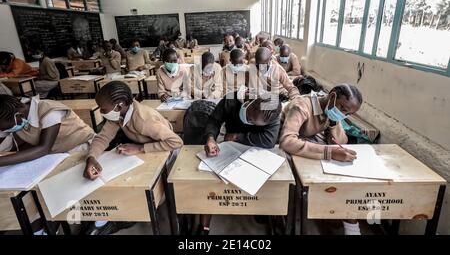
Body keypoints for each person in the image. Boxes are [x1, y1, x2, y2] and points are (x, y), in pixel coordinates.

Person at [82, 81, 183, 235]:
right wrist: (92, 157)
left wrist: (140, 148)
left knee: (153, 192)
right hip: (147, 148)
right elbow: (103, 137)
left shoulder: (143, 120)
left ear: (119, 105)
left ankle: (132, 215)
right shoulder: (118, 114)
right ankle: (111, 215)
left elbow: (176, 142)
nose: (101, 111)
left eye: (103, 109)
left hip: (165, 150)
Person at [279, 84, 363, 235]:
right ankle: (298, 214)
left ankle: (346, 218)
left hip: (308, 142)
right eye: (343, 109)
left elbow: (341, 142)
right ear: (332, 97)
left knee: (342, 177)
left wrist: (333, 123)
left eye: (348, 114)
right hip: (285, 145)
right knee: (301, 181)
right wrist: (328, 152)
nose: (344, 115)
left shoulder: (331, 111)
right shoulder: (302, 106)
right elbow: (287, 141)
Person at [198, 94, 282, 235]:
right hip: (229, 146)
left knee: (262, 179)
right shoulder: (231, 99)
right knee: (212, 177)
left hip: (255, 148)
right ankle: (204, 223)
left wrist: (239, 137)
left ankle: (261, 208)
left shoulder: (272, 112)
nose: (248, 122)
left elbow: (269, 140)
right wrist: (211, 138)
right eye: (249, 117)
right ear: (250, 101)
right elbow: (214, 120)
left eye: (254, 124)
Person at [0, 94, 95, 166]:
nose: (2, 130)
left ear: (18, 115)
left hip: (82, 147)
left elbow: (44, 149)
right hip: (55, 154)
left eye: (3, 128)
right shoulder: (11, 118)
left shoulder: (48, 111)